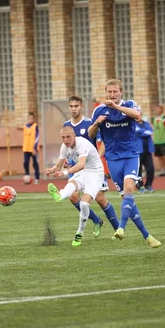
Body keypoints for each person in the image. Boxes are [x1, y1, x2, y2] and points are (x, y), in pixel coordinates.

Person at [88, 79, 161, 248]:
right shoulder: (99, 110)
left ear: (121, 92)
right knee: (127, 199)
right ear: (106, 92)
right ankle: (147, 236)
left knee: (129, 189)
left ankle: (121, 228)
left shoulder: (129, 104)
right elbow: (92, 134)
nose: (112, 95)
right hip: (113, 159)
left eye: (115, 92)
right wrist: (97, 122)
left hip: (130, 155)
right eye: (109, 92)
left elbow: (137, 116)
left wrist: (116, 107)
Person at [63, 94, 120, 237]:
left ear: (81, 107)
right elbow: (68, 147)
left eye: (76, 106)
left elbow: (103, 143)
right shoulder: (66, 126)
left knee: (100, 198)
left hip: (92, 168)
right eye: (71, 106)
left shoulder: (90, 123)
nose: (74, 109)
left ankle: (118, 228)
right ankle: (96, 220)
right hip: (76, 167)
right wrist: (66, 159)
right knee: (73, 196)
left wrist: (98, 158)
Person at [45, 127, 106, 247]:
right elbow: (59, 165)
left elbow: (81, 164)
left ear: (74, 136)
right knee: (72, 185)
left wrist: (64, 173)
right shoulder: (64, 147)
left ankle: (80, 233)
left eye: (68, 137)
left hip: (96, 174)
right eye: (63, 137)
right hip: (83, 172)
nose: (66, 140)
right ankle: (59, 195)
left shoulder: (82, 143)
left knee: (84, 204)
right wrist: (52, 170)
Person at [152, 105, 165, 176]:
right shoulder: (154, 119)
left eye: (159, 109)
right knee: (159, 157)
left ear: (161, 110)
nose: (157, 110)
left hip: (163, 140)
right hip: (156, 140)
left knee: (164, 156)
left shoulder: (164, 118)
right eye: (156, 109)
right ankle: (162, 171)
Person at [135, 119, 155, 193]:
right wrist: (145, 132)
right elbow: (136, 131)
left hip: (148, 150)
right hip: (138, 151)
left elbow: (151, 131)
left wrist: (141, 131)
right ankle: (140, 186)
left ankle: (148, 185)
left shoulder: (146, 123)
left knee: (150, 168)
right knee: (138, 170)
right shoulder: (133, 124)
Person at [22, 112, 40, 184]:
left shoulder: (35, 126)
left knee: (35, 163)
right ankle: (27, 176)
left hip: (33, 149)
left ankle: (37, 178)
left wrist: (35, 148)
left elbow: (37, 137)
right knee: (26, 162)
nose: (30, 120)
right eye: (29, 118)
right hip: (26, 148)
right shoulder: (25, 127)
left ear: (34, 119)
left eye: (32, 118)